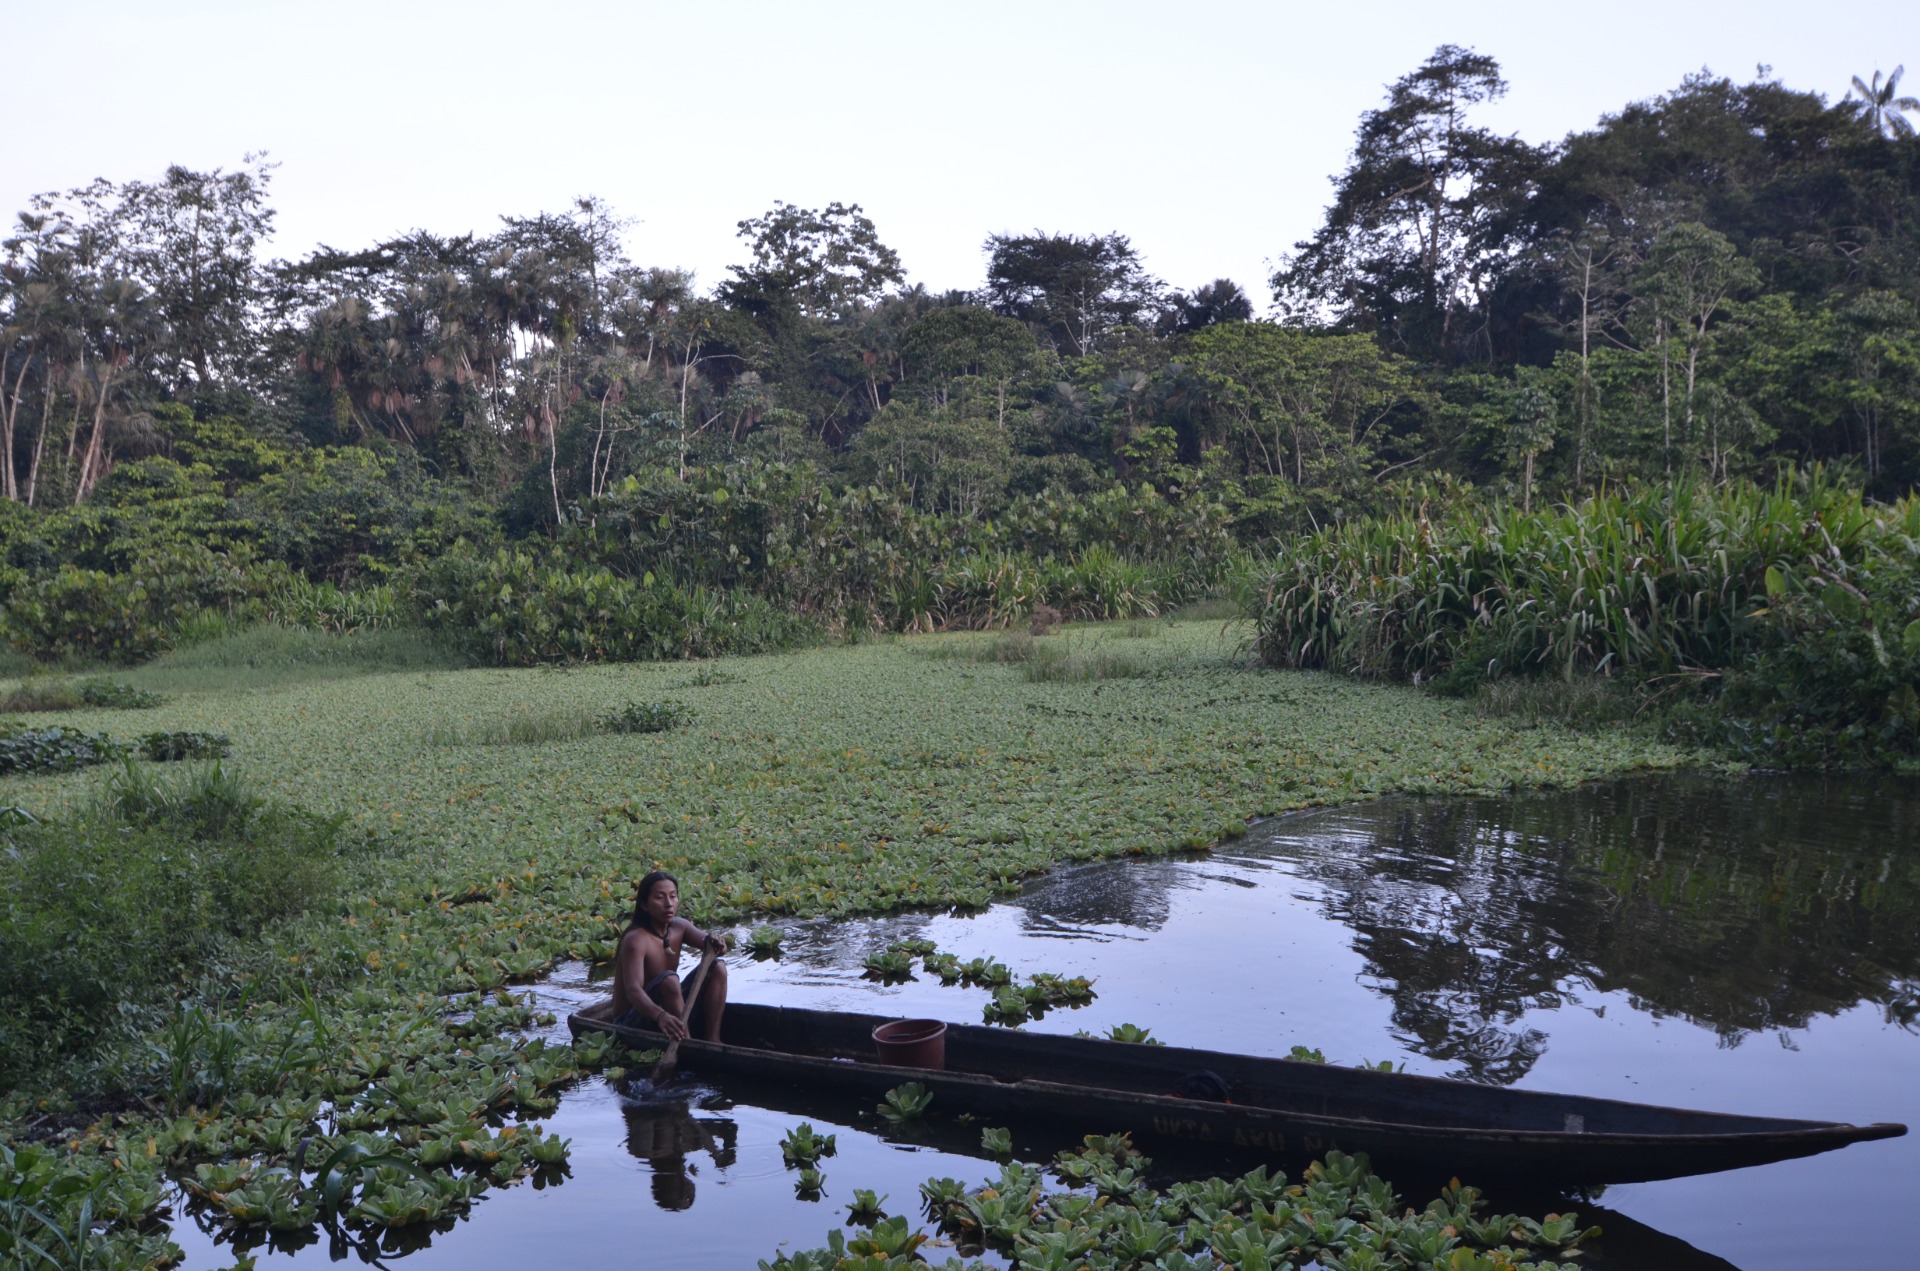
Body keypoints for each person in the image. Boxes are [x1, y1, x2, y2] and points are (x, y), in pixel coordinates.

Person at [612, 870, 729, 1043]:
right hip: (633, 1019)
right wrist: (661, 1016)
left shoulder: (680, 927)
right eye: (659, 898)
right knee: (669, 980)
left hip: (666, 1009)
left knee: (718, 967)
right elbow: (633, 991)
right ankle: (687, 1044)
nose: (668, 904)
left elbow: (711, 945)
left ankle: (713, 1040)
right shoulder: (636, 940)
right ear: (644, 904)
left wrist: (717, 943)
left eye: (673, 896)